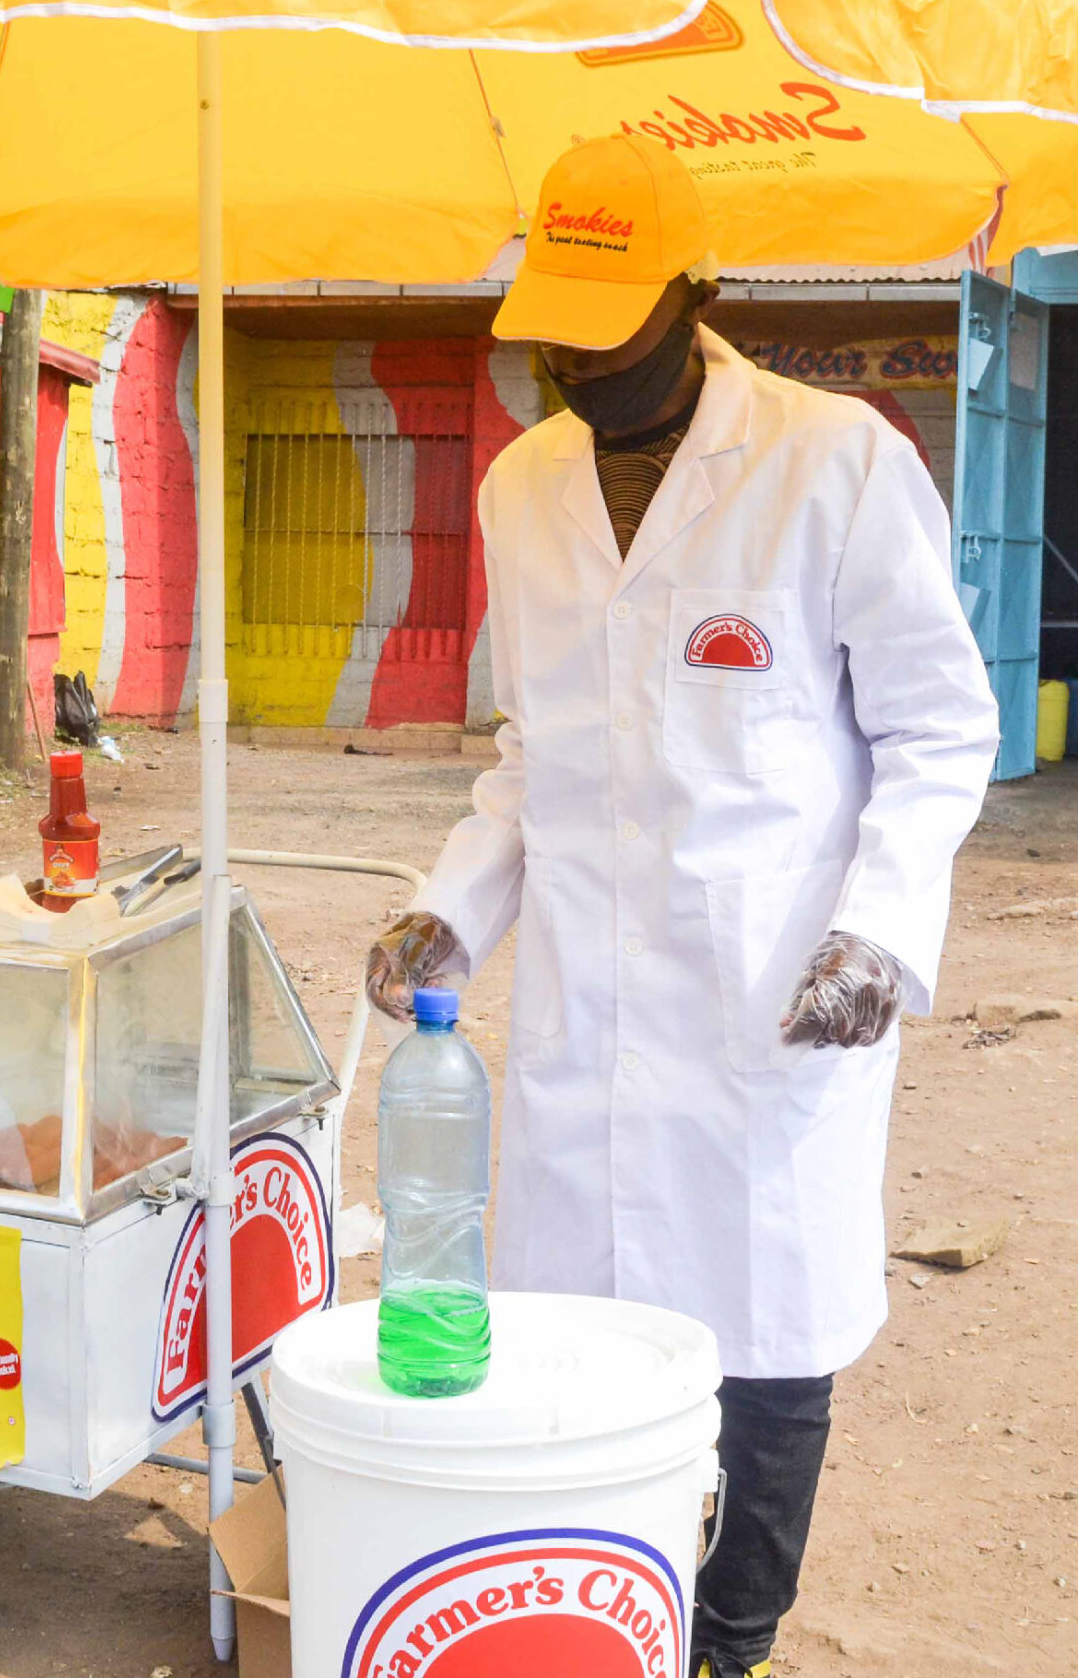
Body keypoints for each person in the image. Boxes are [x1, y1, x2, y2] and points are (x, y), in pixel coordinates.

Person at [366, 135, 998, 1678]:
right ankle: (600, 1605)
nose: (577, 363)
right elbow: (534, 755)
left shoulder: (834, 461)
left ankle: (735, 1644)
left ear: (697, 295)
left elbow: (940, 727)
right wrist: (452, 908)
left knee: (768, 1334)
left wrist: (878, 931)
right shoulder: (524, 487)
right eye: (556, 329)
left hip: (775, 993)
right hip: (592, 1005)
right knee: (569, 1330)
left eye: (614, 326)